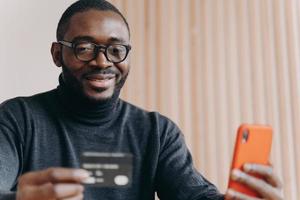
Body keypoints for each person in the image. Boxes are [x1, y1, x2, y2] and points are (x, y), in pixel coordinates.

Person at [0, 0, 283, 200]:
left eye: (116, 49)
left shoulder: (156, 132)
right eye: (84, 48)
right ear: (57, 54)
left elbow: (195, 195)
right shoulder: (16, 119)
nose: (102, 61)